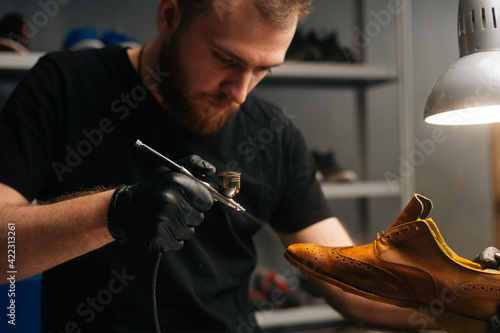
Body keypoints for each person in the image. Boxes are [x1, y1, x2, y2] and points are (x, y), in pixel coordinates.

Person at [0, 0, 497, 332]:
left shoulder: (273, 132)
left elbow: (356, 286)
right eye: (225, 59)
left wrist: (466, 299)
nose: (240, 93)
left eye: (264, 69)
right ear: (170, 15)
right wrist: (113, 212)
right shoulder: (64, 87)